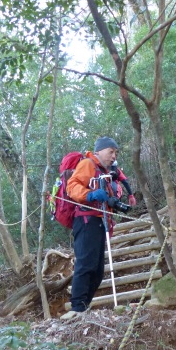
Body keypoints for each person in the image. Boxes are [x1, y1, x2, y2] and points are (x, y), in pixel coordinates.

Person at [60, 136, 119, 320]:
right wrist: (91, 195)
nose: (113, 156)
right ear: (100, 151)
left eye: (115, 153)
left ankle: (83, 307)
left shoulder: (104, 171)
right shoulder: (88, 164)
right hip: (86, 221)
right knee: (85, 264)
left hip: (99, 221)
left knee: (98, 270)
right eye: (111, 151)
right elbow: (72, 186)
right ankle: (77, 307)